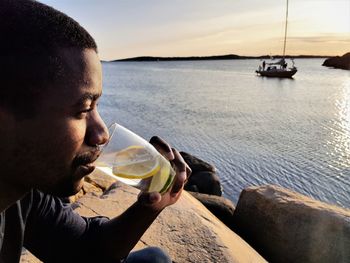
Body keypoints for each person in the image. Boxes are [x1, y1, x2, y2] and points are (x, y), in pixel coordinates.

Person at [0, 0, 191, 262]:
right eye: (83, 109)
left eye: (97, 105)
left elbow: (85, 249)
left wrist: (152, 204)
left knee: (155, 258)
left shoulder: (20, 192)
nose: (101, 134)